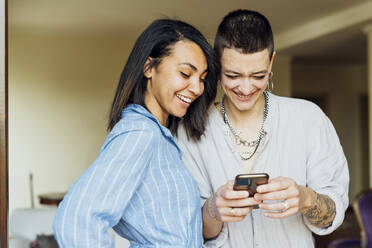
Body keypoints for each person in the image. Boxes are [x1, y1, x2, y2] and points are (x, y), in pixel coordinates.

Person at [176, 9, 349, 248]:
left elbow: (333, 215)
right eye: (233, 75)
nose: (245, 88)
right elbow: (189, 230)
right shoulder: (190, 131)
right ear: (216, 62)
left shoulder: (309, 119)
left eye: (258, 75)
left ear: (271, 61)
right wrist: (213, 209)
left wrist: (306, 198)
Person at [53, 19, 218, 247]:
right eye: (185, 73)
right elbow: (76, 219)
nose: (198, 88)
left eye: (202, 78)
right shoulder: (140, 133)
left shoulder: (160, 138)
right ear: (149, 68)